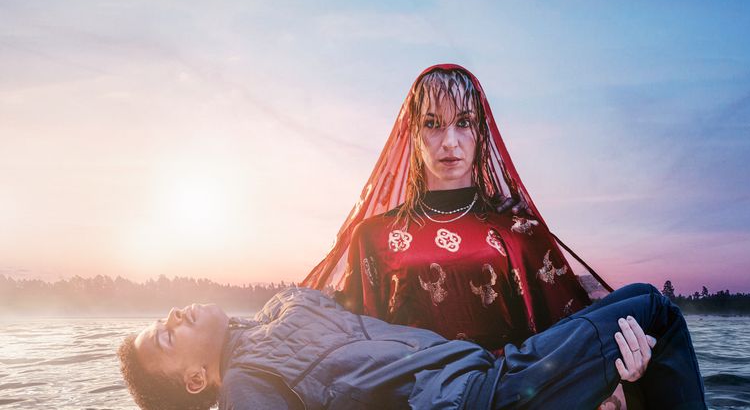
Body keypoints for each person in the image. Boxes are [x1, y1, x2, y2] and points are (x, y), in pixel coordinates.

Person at [304, 65, 631, 405]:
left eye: (464, 122)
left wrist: (625, 367)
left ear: (481, 132)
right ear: (413, 134)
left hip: (502, 396)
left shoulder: (518, 232)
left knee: (647, 307)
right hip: (408, 399)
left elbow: (566, 338)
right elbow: (353, 349)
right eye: (432, 124)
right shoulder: (374, 237)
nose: (449, 142)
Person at [118, 283, 707, 410]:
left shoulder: (266, 321)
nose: (174, 315)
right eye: (167, 336)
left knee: (638, 302)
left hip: (484, 374)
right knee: (654, 312)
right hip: (475, 401)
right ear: (196, 380)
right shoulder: (245, 388)